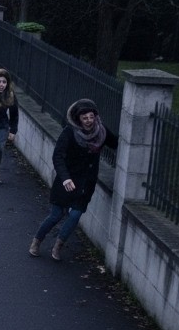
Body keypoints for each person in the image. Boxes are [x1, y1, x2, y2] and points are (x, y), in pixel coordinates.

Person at [31, 98, 117, 260]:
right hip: (67, 180)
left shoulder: (102, 132)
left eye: (91, 117)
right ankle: (37, 241)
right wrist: (65, 178)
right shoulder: (69, 132)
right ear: (78, 119)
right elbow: (58, 156)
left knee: (75, 215)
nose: (89, 121)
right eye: (85, 118)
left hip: (86, 183)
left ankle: (58, 246)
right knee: (56, 215)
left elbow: (117, 143)